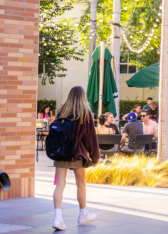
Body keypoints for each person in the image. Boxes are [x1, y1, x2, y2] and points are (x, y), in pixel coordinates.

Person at [51, 86, 99, 230]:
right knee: (81, 184)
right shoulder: (85, 113)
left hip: (60, 152)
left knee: (60, 184)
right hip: (77, 154)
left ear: (70, 96)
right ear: (83, 96)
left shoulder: (61, 110)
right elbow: (91, 138)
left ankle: (57, 219)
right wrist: (95, 157)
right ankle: (83, 214)